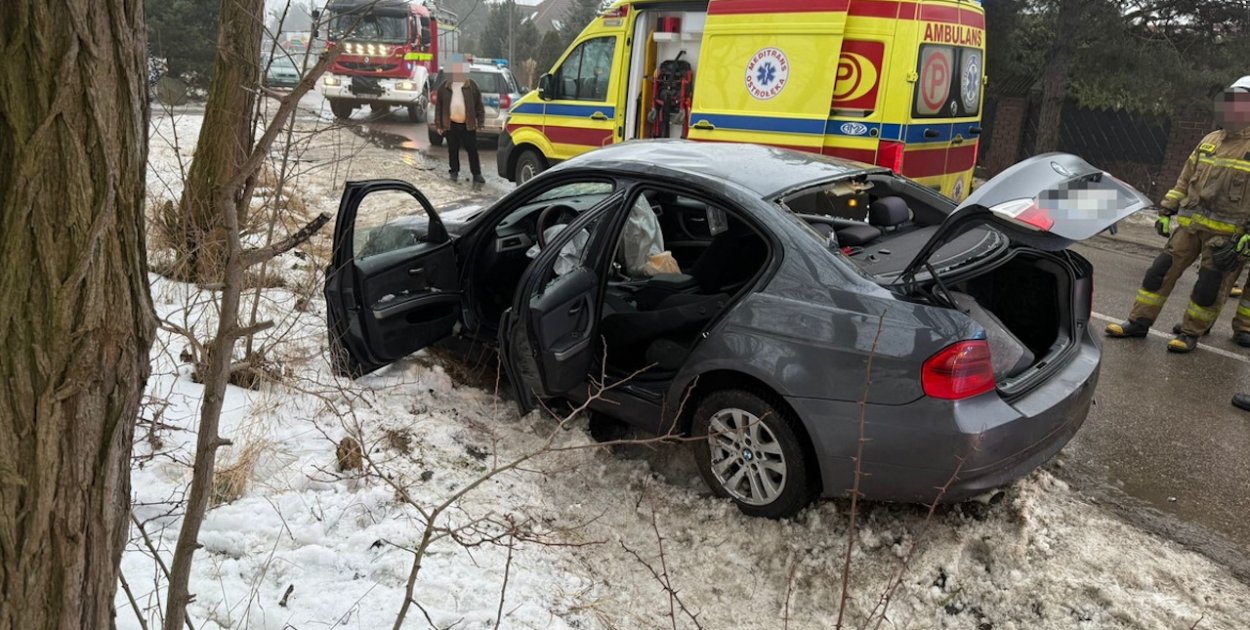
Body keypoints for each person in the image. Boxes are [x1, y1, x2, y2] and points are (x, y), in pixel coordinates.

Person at [1106, 75, 1250, 352]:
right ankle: (1138, 322)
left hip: (1226, 237)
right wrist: (1166, 210)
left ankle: (1190, 333)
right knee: (1158, 273)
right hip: (1189, 227)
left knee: (1208, 288)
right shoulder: (1210, 140)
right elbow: (1185, 180)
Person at [434, 60, 486, 184]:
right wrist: (439, 124)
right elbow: (439, 107)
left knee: (472, 150)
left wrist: (480, 122)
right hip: (451, 124)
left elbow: (479, 105)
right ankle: (454, 172)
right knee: (453, 149)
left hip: (468, 125)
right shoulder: (445, 87)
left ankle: (477, 174)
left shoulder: (471, 86)